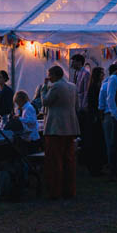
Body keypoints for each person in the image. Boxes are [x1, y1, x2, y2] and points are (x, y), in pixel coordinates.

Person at [41, 65, 80, 200]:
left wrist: (44, 88)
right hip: (70, 126)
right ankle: (69, 190)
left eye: (49, 75)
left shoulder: (56, 86)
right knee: (69, 160)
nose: (48, 78)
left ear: (55, 75)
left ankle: (55, 191)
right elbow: (77, 105)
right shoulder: (72, 86)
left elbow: (45, 101)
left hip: (56, 127)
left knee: (54, 160)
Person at [81, 66, 106, 176]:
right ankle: (95, 167)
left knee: (98, 142)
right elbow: (92, 103)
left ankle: (98, 166)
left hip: (96, 117)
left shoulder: (97, 86)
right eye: (101, 74)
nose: (103, 76)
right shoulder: (94, 87)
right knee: (95, 142)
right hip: (94, 118)